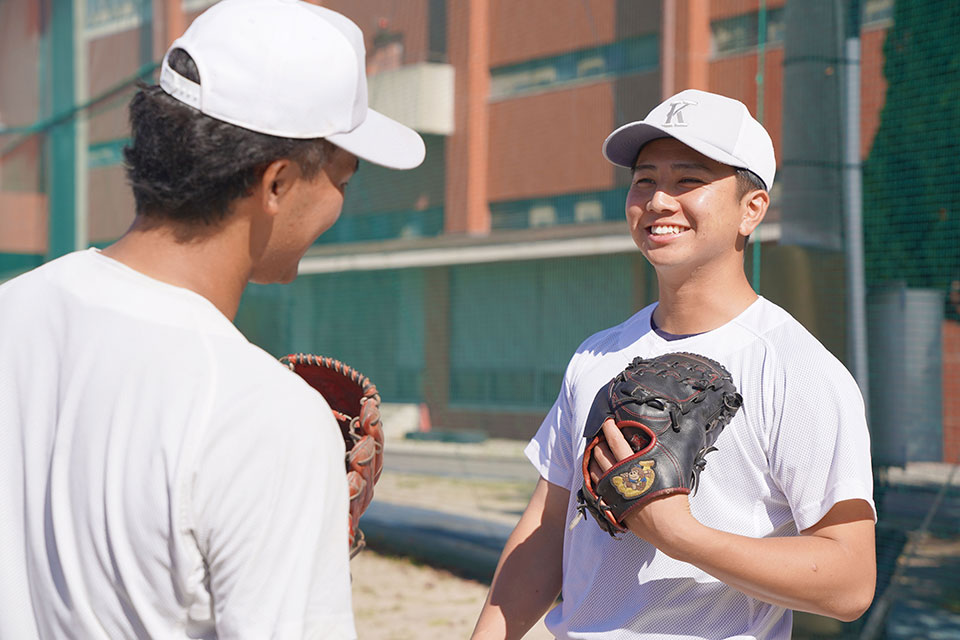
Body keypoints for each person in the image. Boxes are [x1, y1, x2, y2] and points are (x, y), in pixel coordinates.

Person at [0, 1, 424, 638]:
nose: (339, 202)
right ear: (277, 183)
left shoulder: (14, 311)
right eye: (344, 177)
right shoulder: (266, 417)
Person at [471, 89, 876, 640]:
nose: (659, 201)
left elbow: (850, 584)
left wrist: (677, 533)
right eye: (644, 180)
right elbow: (546, 532)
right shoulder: (597, 355)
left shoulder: (796, 369)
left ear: (751, 209)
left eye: (688, 181)